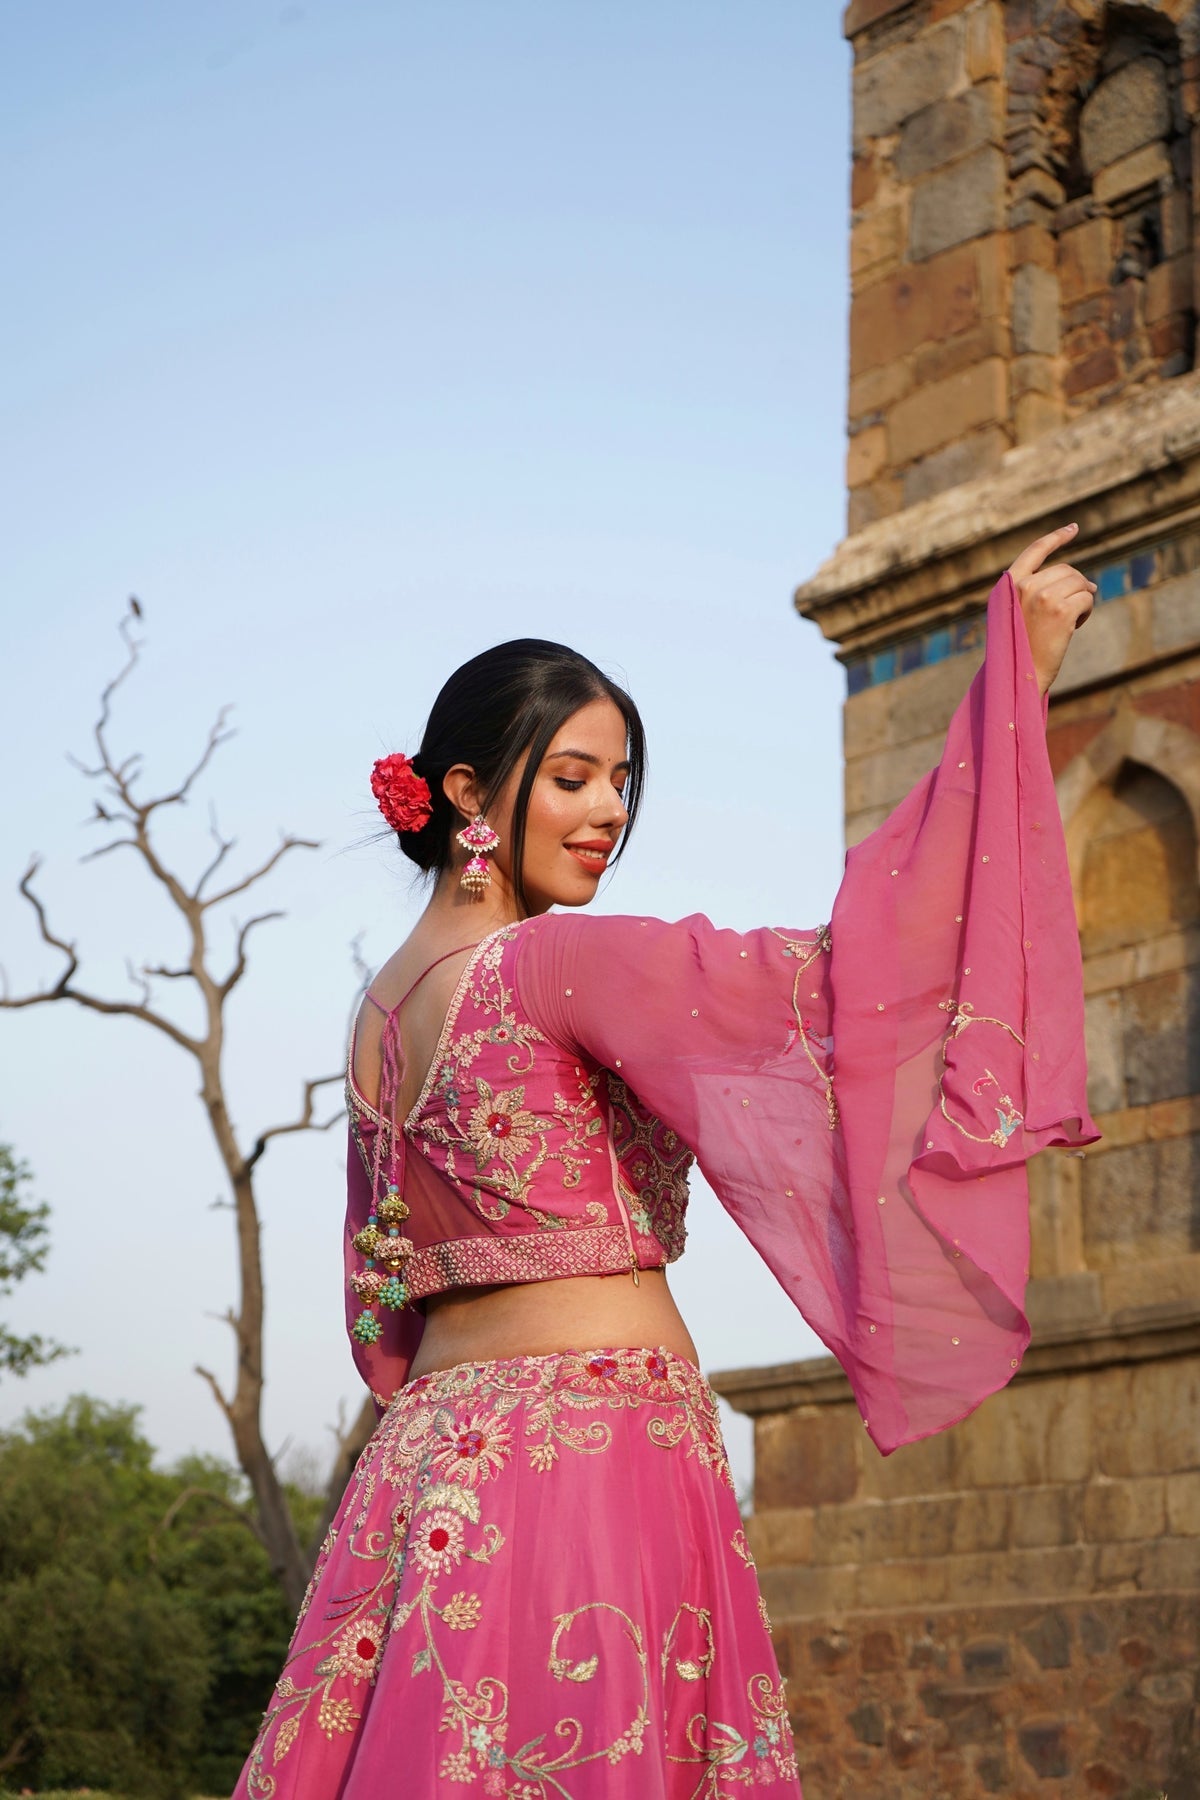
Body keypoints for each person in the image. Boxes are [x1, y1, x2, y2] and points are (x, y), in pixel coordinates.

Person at [233, 528, 1098, 1799]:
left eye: (621, 779)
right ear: (467, 793)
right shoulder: (554, 965)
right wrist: (1013, 680)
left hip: (419, 1464)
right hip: (595, 1448)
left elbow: (382, 1308)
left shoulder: (372, 1019)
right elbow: (856, 975)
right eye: (572, 776)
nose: (609, 812)